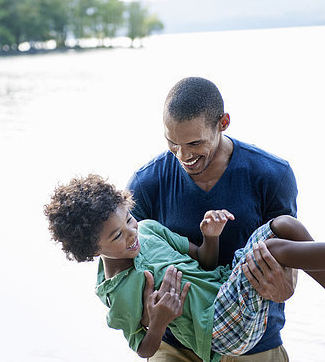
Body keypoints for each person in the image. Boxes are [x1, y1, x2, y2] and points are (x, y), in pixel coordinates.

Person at [44, 175, 325, 362]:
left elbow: (203, 260)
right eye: (115, 237)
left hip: (225, 289)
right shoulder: (119, 291)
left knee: (285, 225)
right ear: (91, 249)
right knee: (272, 250)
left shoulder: (150, 230)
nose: (130, 236)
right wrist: (159, 321)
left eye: (128, 221)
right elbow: (143, 348)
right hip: (218, 331)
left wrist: (211, 237)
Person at [127, 77, 298, 361]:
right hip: (177, 344)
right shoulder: (147, 183)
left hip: (253, 341)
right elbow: (121, 259)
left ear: (224, 123)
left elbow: (290, 254)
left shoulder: (271, 175)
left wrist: (287, 286)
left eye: (195, 143)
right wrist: (146, 306)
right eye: (173, 143)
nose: (183, 155)